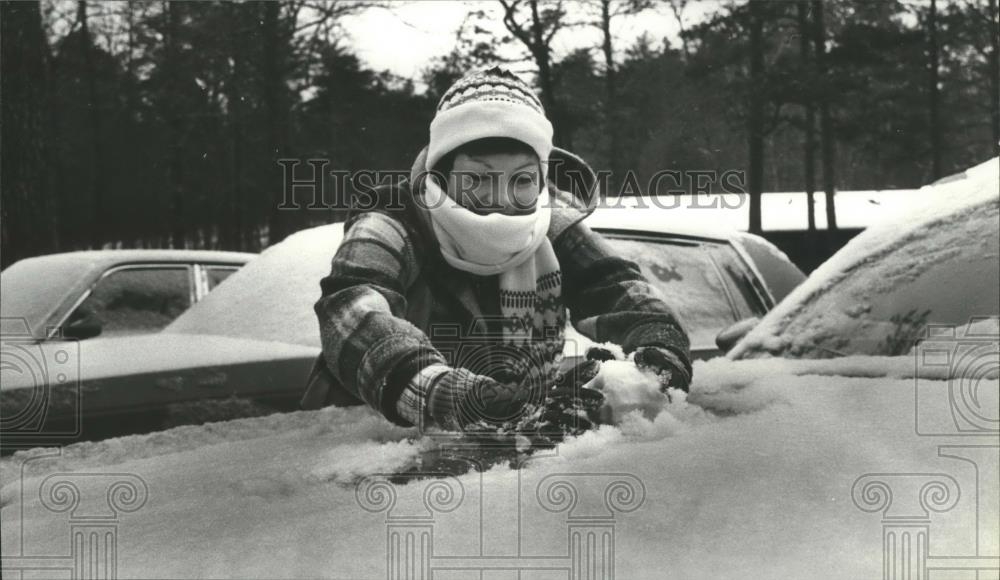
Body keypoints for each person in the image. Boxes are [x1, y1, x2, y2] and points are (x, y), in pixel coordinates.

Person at [301, 65, 691, 435]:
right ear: (441, 174)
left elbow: (630, 298)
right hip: (362, 445)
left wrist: (653, 368)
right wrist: (465, 400)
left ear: (540, 179)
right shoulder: (394, 222)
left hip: (508, 451)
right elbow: (352, 311)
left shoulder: (550, 224)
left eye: (521, 179)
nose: (500, 199)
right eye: (476, 178)